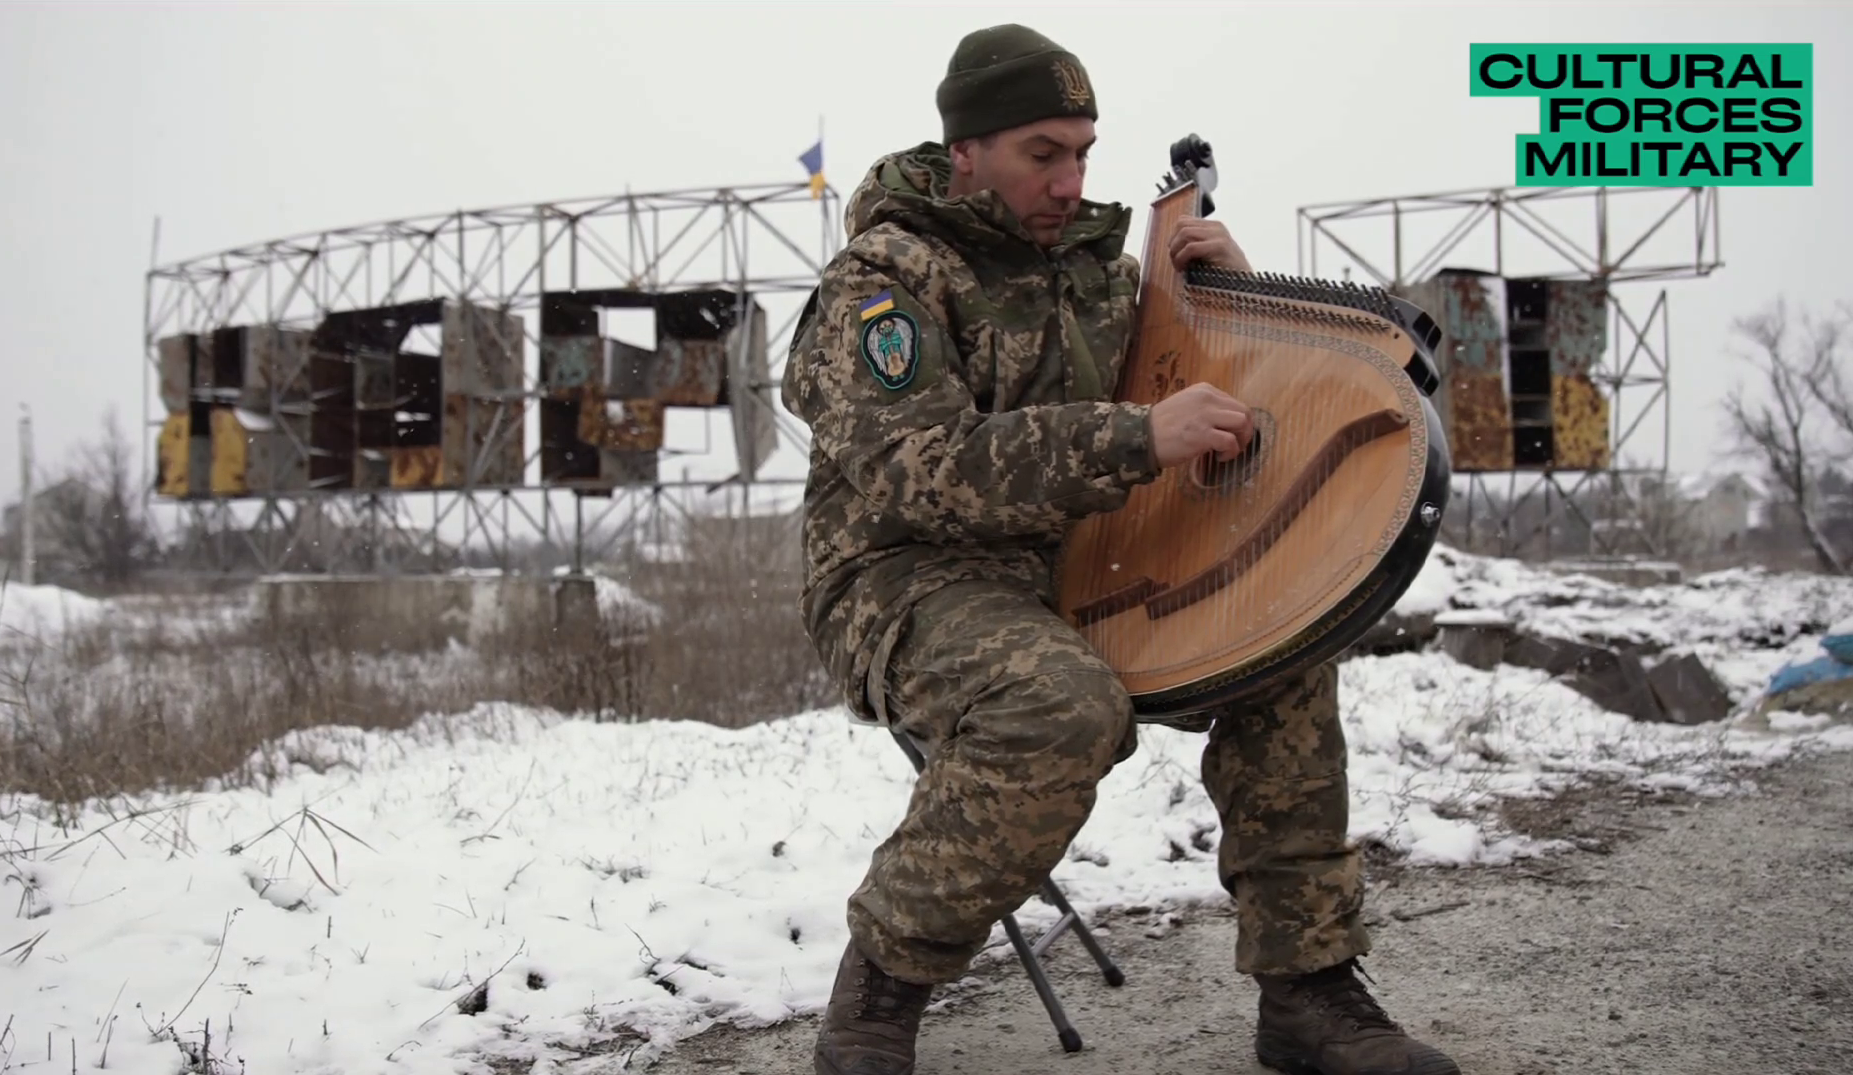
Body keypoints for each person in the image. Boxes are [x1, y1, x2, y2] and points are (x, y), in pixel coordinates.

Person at [778, 23, 1461, 1075]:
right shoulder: (883, 279)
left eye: (1082, 153)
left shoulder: (1095, 273)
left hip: (1088, 558)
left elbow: (1193, 381)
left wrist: (1235, 295)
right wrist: (1134, 437)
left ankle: (1308, 992)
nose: (1068, 180)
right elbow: (919, 468)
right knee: (1058, 703)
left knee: (1288, 641)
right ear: (965, 150)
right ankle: (876, 998)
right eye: (1039, 154)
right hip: (908, 577)